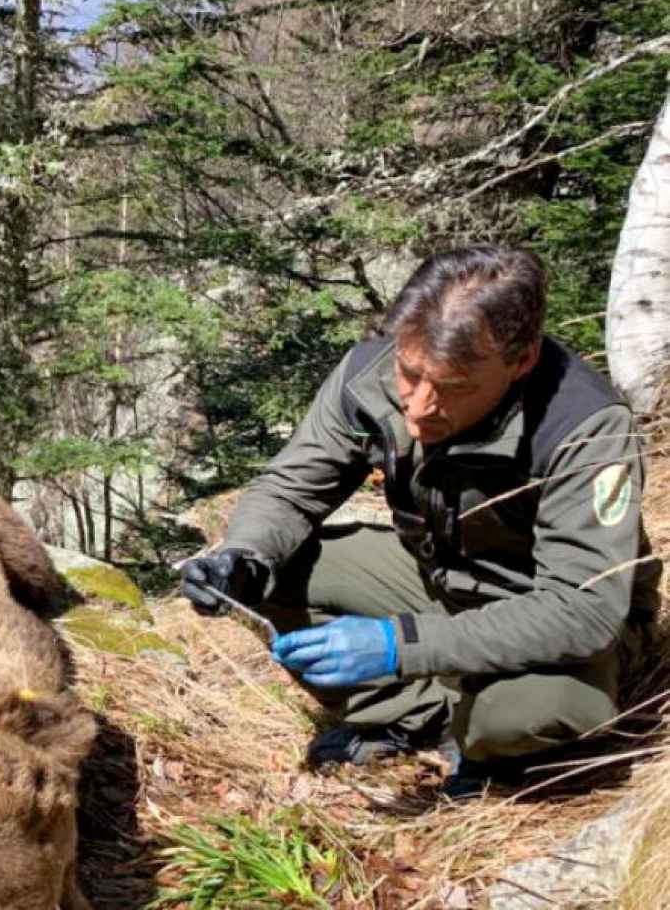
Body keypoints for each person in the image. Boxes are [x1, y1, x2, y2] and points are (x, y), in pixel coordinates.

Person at [180, 245, 660, 797]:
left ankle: (482, 741)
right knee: (273, 572)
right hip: (442, 578)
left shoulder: (584, 425)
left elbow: (583, 611)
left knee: (531, 713)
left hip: (543, 610)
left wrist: (399, 645)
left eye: (454, 388)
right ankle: (418, 717)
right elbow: (291, 487)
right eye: (410, 374)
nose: (419, 407)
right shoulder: (368, 373)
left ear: (521, 361)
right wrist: (241, 557)